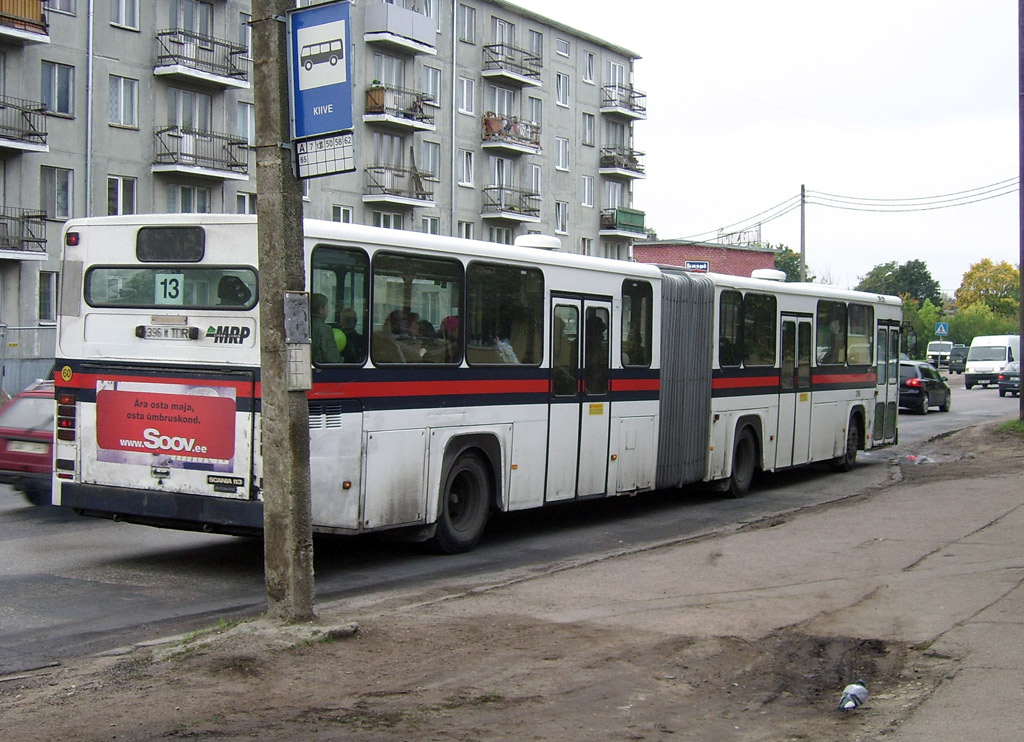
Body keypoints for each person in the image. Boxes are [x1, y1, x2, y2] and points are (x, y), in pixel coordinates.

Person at [310, 293, 341, 364]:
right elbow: (332, 358)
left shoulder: (307, 325)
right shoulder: (324, 328)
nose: (328, 311)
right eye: (327, 307)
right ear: (320, 309)